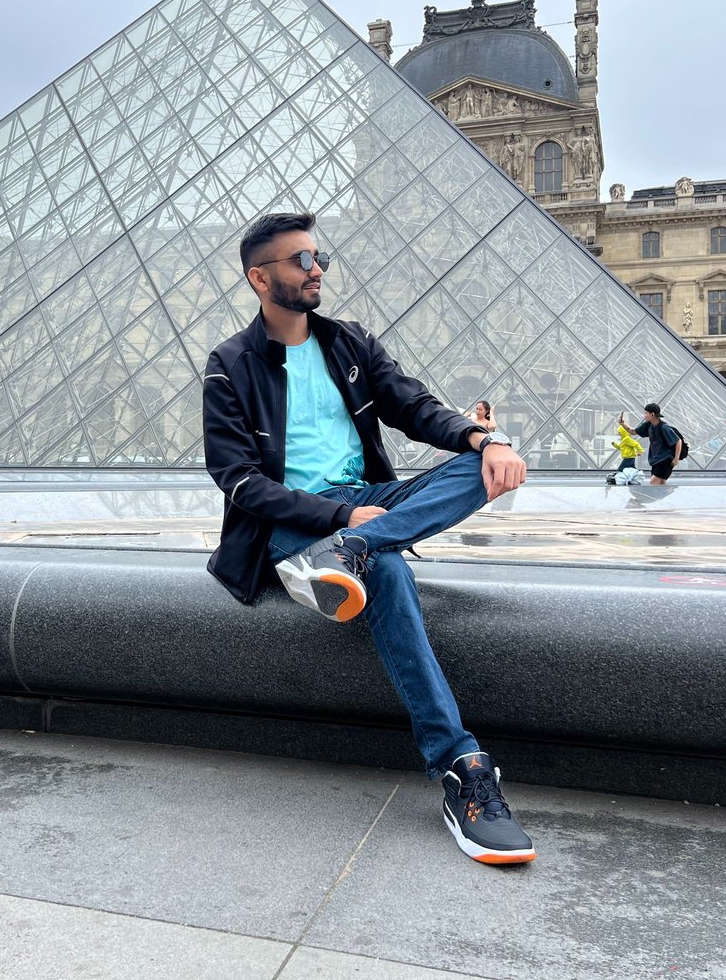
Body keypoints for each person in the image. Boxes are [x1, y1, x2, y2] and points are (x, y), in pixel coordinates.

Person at [203, 211, 534, 866]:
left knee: (475, 469)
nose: (316, 268)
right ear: (259, 277)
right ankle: (462, 769)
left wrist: (485, 439)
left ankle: (356, 552)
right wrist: (334, 522)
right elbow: (237, 480)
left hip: (364, 512)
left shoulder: (349, 343)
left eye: (318, 256)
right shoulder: (230, 365)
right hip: (295, 523)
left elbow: (413, 406)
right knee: (386, 572)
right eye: (300, 261)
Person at [618, 404, 684, 485]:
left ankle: (671, 492)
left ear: (652, 414)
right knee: (661, 483)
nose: (644, 415)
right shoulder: (648, 425)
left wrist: (676, 458)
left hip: (666, 459)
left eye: (646, 413)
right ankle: (672, 493)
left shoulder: (664, 427)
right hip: (656, 460)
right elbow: (633, 432)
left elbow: (678, 441)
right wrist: (623, 424)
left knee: (653, 482)